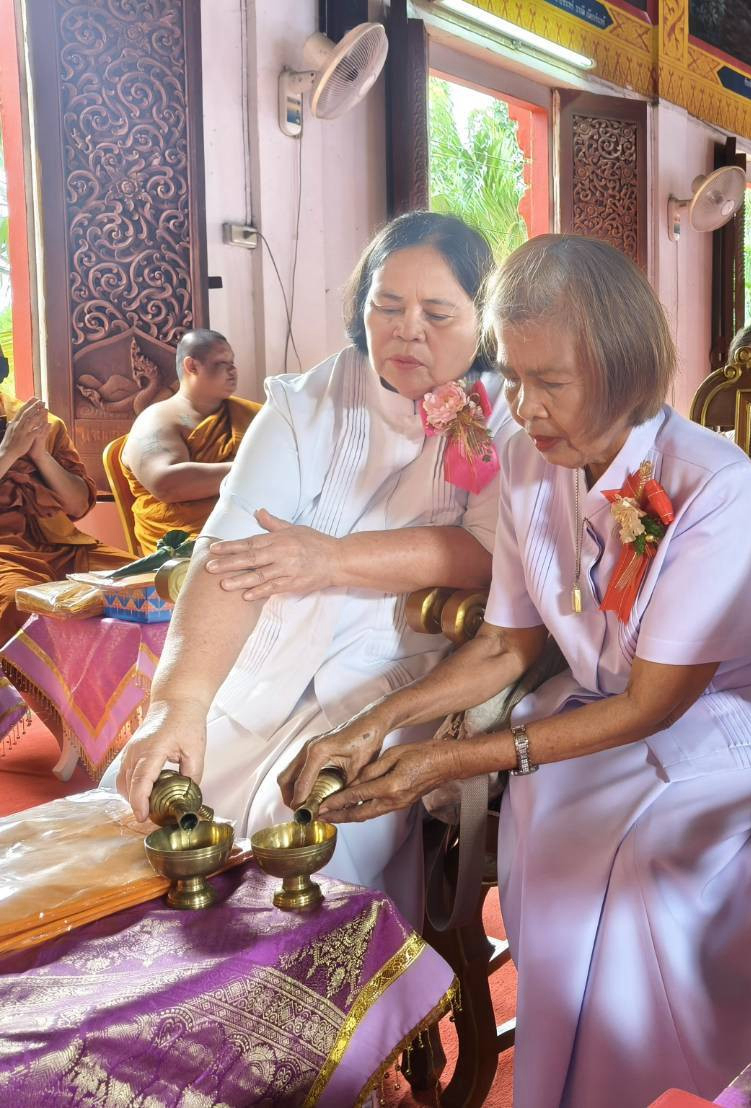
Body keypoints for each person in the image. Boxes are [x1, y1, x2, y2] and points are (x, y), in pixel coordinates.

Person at [285, 235, 751, 1108]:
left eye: (549, 383)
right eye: (513, 377)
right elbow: (505, 646)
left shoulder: (709, 484)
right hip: (607, 701)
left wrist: (443, 761)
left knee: (642, 853)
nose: (523, 406)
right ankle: (562, 1087)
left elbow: (656, 705)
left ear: (624, 372)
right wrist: (369, 727)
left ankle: (676, 1084)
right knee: (544, 813)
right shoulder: (523, 458)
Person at [112, 211, 515, 911]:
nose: (405, 329)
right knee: (150, 815)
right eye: (386, 305)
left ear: (482, 320)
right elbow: (227, 554)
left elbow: (485, 555)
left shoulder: (505, 412)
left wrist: (329, 561)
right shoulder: (307, 403)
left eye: (437, 313)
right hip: (263, 658)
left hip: (394, 676)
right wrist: (178, 704)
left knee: (310, 850)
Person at [0, 358, 128, 641]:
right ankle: (35, 686)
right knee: (20, 604)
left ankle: (133, 681)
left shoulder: (38, 424)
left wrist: (40, 455)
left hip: (64, 546)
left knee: (150, 583)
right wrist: (8, 453)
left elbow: (78, 505)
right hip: (5, 553)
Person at [120, 329, 261, 550]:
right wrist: (256, 471)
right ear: (192, 366)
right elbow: (167, 484)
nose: (232, 371)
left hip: (252, 531)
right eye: (221, 363)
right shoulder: (157, 419)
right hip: (188, 545)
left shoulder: (252, 414)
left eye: (232, 363)